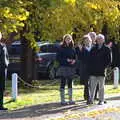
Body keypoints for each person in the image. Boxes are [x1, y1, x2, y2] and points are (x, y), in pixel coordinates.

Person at [89, 34, 111, 105]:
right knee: (92, 86)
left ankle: (101, 100)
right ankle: (91, 100)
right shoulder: (93, 48)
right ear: (96, 40)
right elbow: (90, 59)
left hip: (101, 70)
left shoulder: (107, 49)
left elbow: (109, 60)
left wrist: (104, 67)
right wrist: (91, 67)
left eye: (101, 39)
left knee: (101, 87)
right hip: (93, 71)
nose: (99, 40)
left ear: (103, 40)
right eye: (98, 39)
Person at [57, 34, 76, 105]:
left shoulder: (72, 48)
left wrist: (74, 60)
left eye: (69, 39)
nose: (68, 40)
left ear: (71, 40)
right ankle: (63, 100)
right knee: (63, 83)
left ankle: (70, 100)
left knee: (70, 83)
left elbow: (75, 57)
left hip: (71, 67)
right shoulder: (61, 48)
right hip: (63, 67)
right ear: (64, 39)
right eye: (67, 39)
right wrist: (66, 60)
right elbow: (58, 58)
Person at [76, 34, 92, 104]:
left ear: (90, 40)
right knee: (86, 83)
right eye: (85, 40)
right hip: (85, 67)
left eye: (88, 40)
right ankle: (87, 97)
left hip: (92, 67)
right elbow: (79, 58)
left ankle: (91, 96)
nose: (86, 41)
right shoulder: (82, 48)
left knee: (92, 83)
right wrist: (80, 50)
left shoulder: (93, 47)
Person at [0, 32, 9, 110]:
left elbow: (7, 56)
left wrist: (7, 64)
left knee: (2, 87)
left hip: (3, 70)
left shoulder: (3, 46)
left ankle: (1, 105)